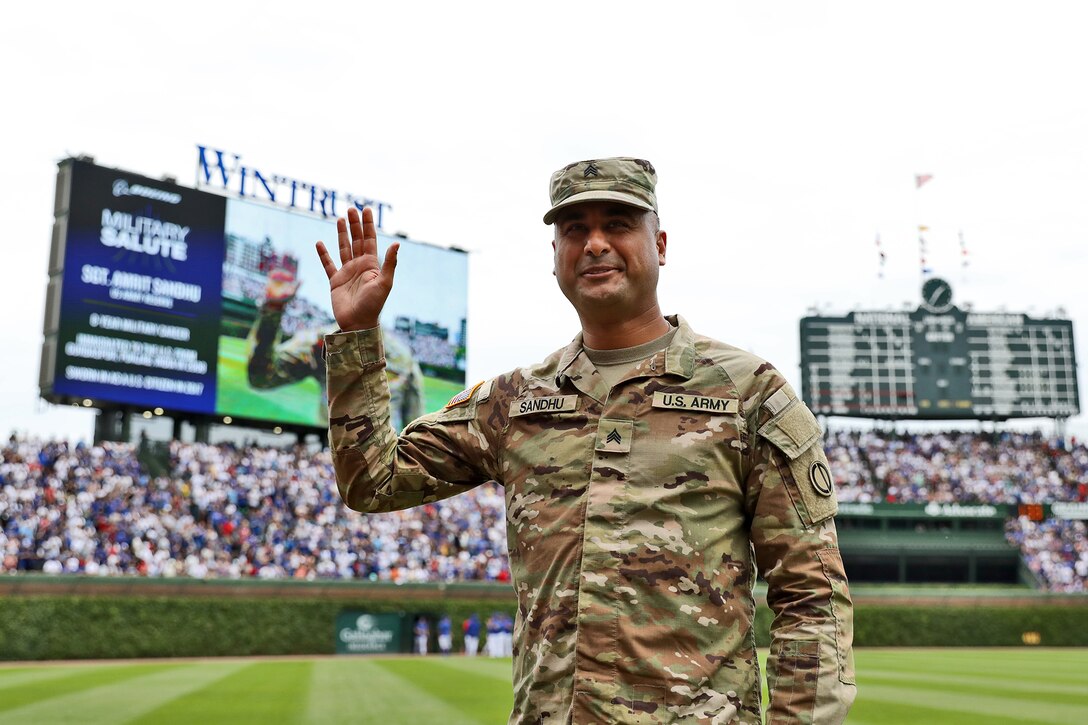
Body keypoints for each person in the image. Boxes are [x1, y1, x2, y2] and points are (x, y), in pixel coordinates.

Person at [317, 158, 856, 723]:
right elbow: (371, 481)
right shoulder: (513, 402)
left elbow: (811, 596)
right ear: (555, 257)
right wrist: (357, 337)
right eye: (575, 230)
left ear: (661, 244)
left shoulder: (746, 391)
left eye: (618, 224)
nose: (595, 243)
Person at [246, 265, 424, 431]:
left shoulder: (402, 358)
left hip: (384, 462)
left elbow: (415, 433)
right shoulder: (321, 344)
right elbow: (261, 378)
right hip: (333, 459)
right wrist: (273, 311)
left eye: (371, 284)